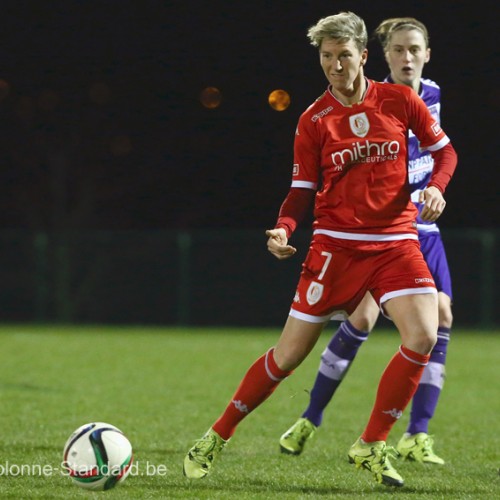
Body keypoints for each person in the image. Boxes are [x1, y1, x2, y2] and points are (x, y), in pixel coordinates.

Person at [183, 11, 457, 487]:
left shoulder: (399, 100)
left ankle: (371, 444)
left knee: (424, 335)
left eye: (343, 55)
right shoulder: (314, 120)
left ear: (363, 57)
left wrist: (437, 187)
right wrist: (284, 229)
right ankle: (216, 435)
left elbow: (445, 152)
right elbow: (301, 192)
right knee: (288, 357)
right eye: (326, 57)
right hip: (337, 248)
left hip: (396, 242)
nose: (334, 65)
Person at [279, 17, 453, 466]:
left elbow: (443, 152)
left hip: (420, 227)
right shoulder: (376, 97)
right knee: (361, 319)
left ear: (427, 54)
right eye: (398, 49)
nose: (407, 57)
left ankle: (416, 432)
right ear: (382, 56)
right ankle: (311, 415)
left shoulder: (429, 95)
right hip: (379, 229)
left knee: (439, 317)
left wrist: (435, 186)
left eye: (415, 49)